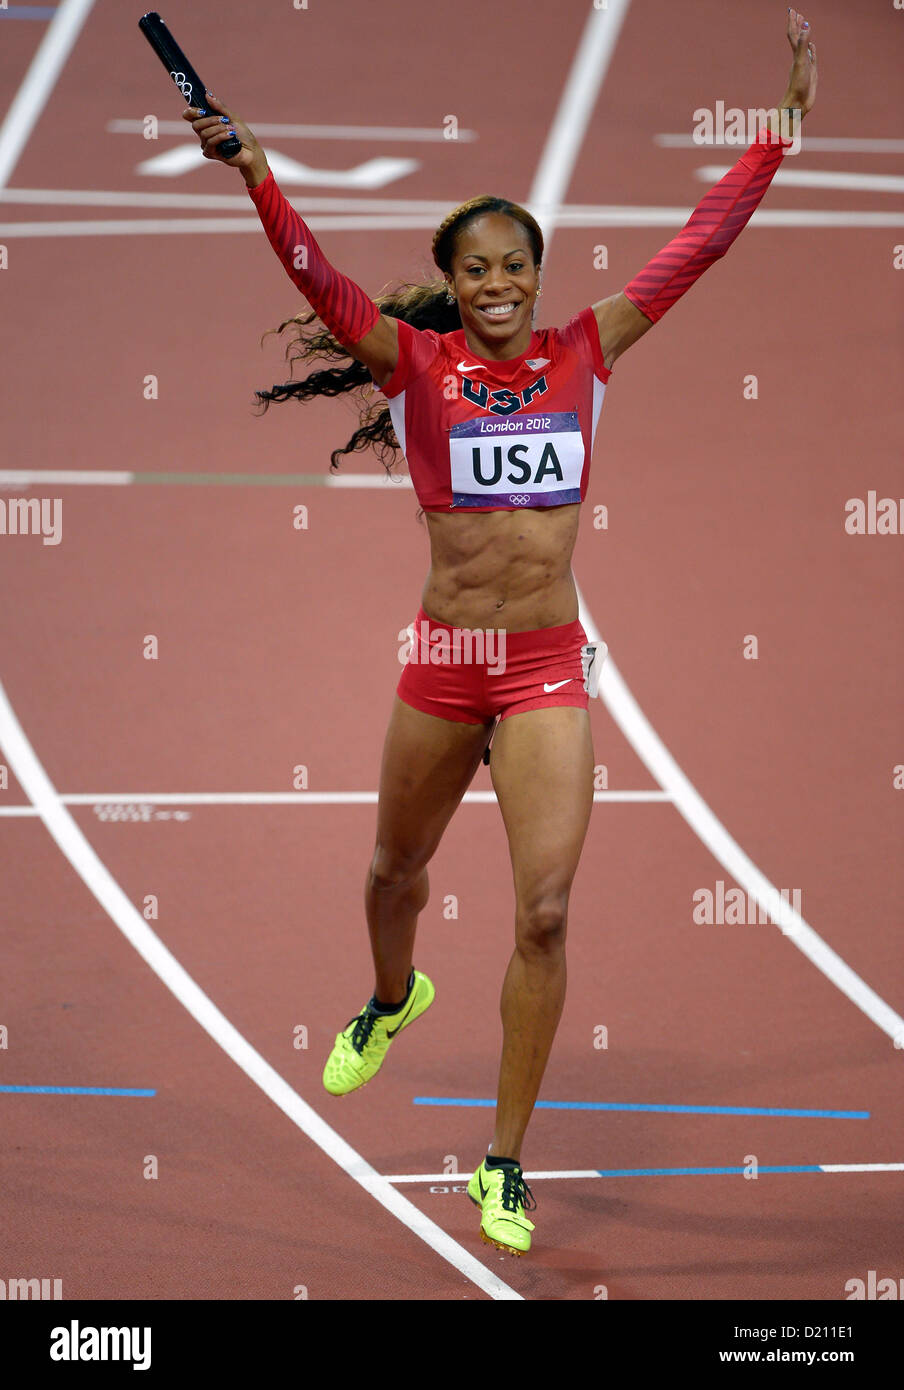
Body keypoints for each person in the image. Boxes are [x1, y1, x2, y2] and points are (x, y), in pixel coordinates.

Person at [183, 10, 816, 1257]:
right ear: (453, 281)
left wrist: (778, 137)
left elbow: (697, 245)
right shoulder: (412, 365)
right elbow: (318, 281)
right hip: (443, 662)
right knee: (390, 878)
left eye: (513, 265)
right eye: (474, 269)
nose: (496, 284)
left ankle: (504, 1164)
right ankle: (388, 995)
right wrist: (258, 175)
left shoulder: (589, 349)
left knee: (541, 914)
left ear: (535, 272)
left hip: (539, 672)